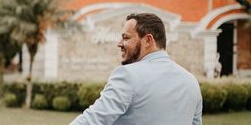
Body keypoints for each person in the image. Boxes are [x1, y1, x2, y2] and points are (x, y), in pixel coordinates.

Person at [70, 13, 202, 125]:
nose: (119, 43)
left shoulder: (128, 75)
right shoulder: (191, 82)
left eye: (126, 37)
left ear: (148, 40)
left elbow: (93, 120)